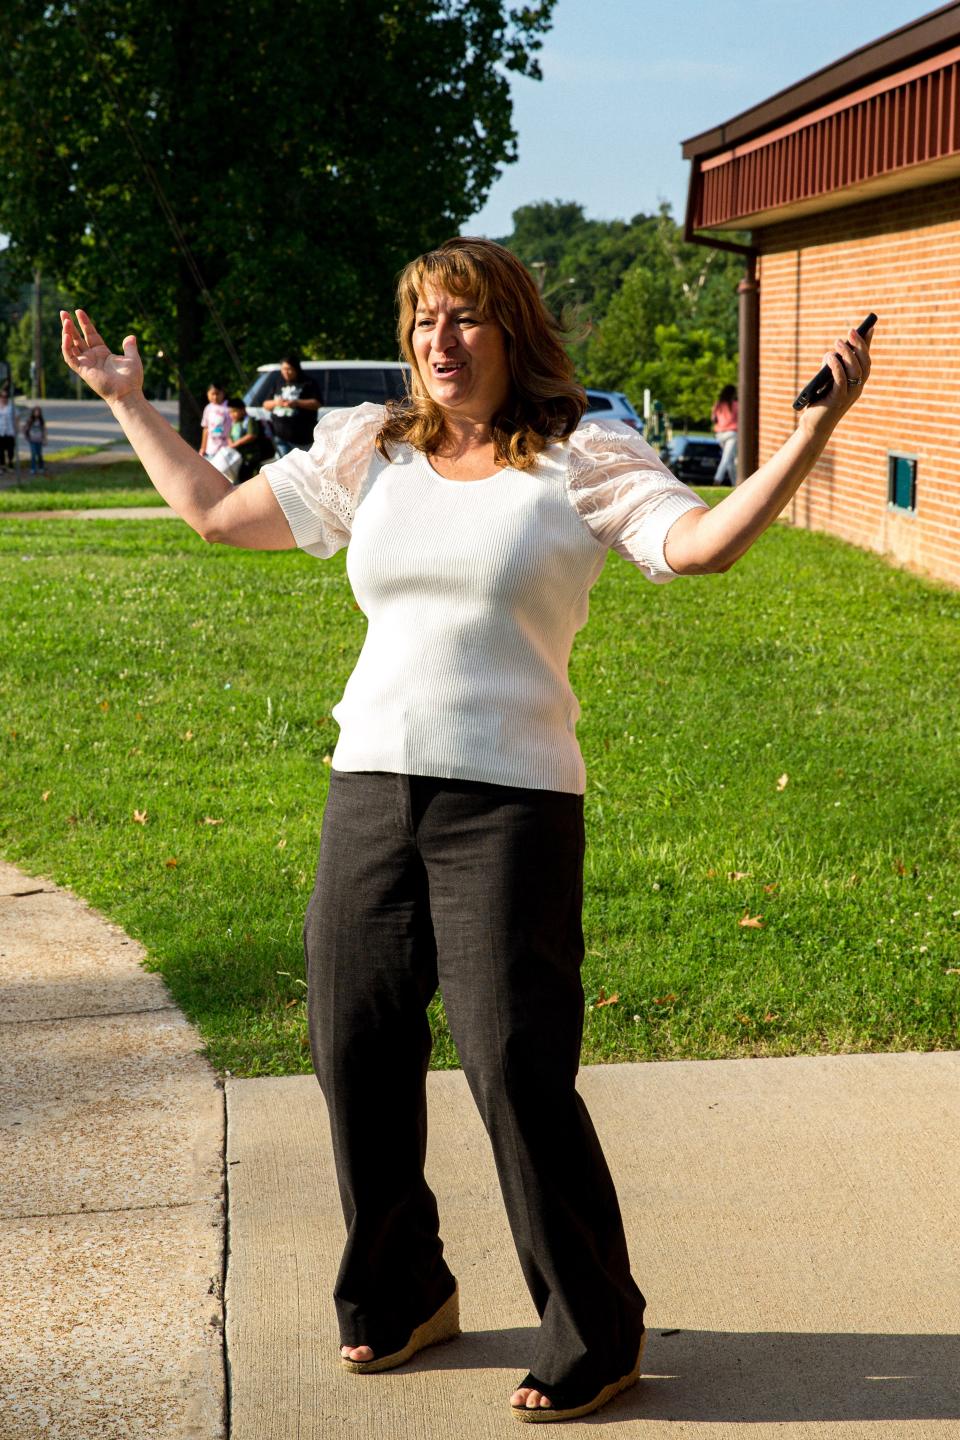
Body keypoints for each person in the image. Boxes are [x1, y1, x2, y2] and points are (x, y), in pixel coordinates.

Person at [59, 240, 872, 1423]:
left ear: (514, 332)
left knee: (512, 1066)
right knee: (353, 1042)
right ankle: (400, 1292)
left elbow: (700, 545)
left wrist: (809, 436)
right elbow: (215, 516)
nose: (443, 343)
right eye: (426, 322)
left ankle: (599, 1327)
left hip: (512, 802)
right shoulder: (373, 450)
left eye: (468, 321)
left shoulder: (585, 456)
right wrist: (129, 405)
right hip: (371, 786)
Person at [261, 354, 320, 456]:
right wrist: (276, 402)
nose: (286, 372)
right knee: (282, 470)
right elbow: (265, 404)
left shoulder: (308, 383)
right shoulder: (278, 382)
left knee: (302, 468)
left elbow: (317, 403)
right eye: (283, 369)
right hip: (280, 437)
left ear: (296, 369)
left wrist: (296, 403)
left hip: (302, 438)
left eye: (289, 369)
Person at [226, 397, 261, 483]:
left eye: (234, 411)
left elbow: (252, 435)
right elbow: (229, 436)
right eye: (230, 412)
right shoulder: (234, 423)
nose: (232, 415)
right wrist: (230, 442)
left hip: (251, 456)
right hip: (241, 458)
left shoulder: (249, 420)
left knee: (254, 477)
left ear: (243, 409)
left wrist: (236, 443)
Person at [712, 383, 739, 485]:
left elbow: (714, 419)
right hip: (732, 433)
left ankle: (735, 484)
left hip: (720, 434)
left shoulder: (718, 404)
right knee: (726, 458)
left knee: (730, 460)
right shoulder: (736, 405)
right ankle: (717, 479)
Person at [199, 383, 232, 462]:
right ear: (207, 394)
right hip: (211, 449)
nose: (215, 397)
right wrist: (203, 448)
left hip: (225, 449)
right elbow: (206, 429)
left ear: (223, 393)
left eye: (217, 394)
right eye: (212, 394)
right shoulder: (208, 408)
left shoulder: (229, 407)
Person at [24, 405, 47, 476]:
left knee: (39, 454)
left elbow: (44, 430)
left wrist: (45, 439)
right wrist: (27, 436)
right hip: (32, 440)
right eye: (35, 412)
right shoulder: (30, 420)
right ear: (33, 412)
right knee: (33, 454)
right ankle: (33, 468)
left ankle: (41, 467)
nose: (37, 413)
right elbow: (25, 429)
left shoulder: (41, 421)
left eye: (38, 412)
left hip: (39, 440)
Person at [0, 384, 16, 473]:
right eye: (2, 396)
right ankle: (2, 466)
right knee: (0, 451)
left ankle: (10, 463)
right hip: (0, 432)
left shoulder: (11, 406)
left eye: (5, 396)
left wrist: (16, 428)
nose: (4, 398)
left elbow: (16, 417)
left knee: (10, 450)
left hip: (10, 431)